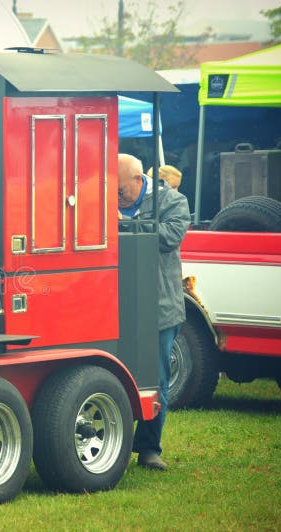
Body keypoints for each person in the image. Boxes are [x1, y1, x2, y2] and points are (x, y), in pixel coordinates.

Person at [118, 153, 190, 471]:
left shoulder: (173, 202)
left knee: (156, 378)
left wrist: (124, 223)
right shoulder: (111, 198)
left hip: (159, 307)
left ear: (138, 180)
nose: (116, 198)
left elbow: (168, 237)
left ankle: (149, 449)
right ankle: (115, 443)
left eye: (121, 192)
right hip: (117, 304)